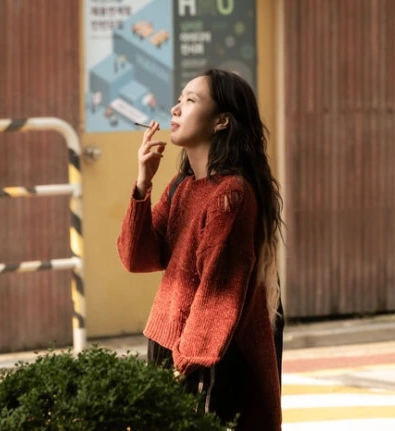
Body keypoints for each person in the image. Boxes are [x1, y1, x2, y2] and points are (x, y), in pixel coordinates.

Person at [117, 69, 284, 430]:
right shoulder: (182, 186)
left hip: (208, 357)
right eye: (179, 99)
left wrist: (185, 365)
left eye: (191, 100)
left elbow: (217, 295)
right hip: (169, 344)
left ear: (221, 121)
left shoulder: (231, 196)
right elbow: (136, 258)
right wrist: (143, 183)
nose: (175, 109)